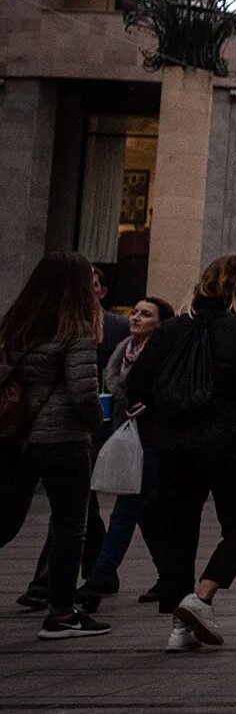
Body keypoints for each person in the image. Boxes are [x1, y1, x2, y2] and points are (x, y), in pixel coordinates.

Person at [128, 254, 236, 652]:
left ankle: (179, 628)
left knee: (180, 530)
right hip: (230, 445)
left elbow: (138, 385)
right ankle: (202, 595)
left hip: (174, 444)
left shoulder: (170, 331)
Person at [0, 252, 109, 640]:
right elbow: (83, 392)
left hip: (16, 436)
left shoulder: (16, 325)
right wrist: (97, 422)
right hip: (63, 439)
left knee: (6, 518)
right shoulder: (75, 329)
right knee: (69, 525)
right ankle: (62, 613)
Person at [78, 296, 176, 611]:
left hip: (152, 441)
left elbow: (171, 395)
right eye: (134, 311)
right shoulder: (124, 351)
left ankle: (97, 580)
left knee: (125, 510)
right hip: (129, 436)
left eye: (146, 314)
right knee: (145, 514)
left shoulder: (164, 354)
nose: (135, 317)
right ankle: (169, 576)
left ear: (160, 324)